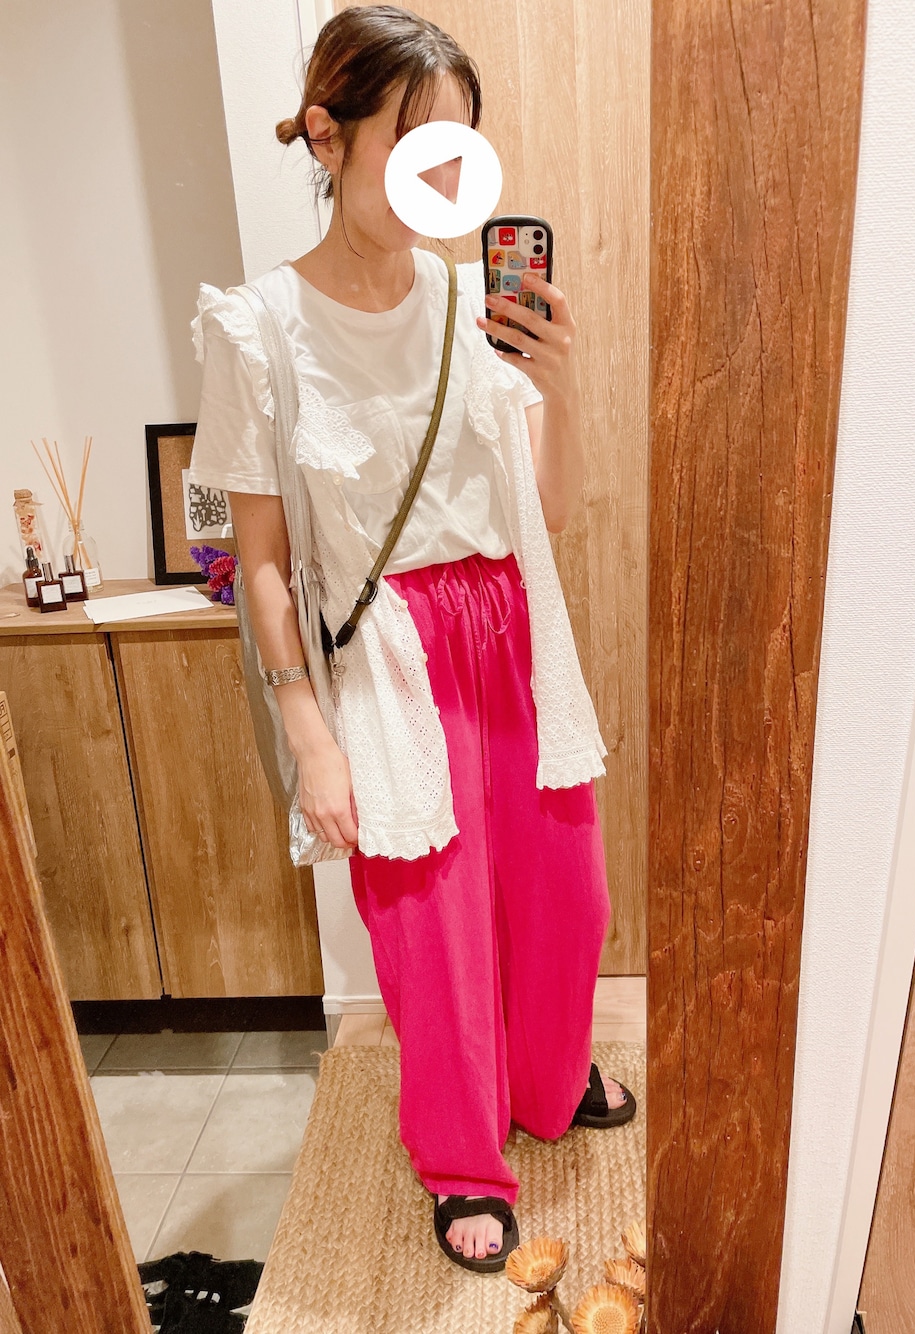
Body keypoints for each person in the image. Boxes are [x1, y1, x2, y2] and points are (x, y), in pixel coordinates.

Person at [188, 4, 636, 1275]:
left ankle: (547, 1078)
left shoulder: (465, 298)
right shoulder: (257, 328)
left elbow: (548, 508)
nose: (442, 180)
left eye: (459, 150)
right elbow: (260, 560)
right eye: (414, 142)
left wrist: (562, 381)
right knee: (433, 934)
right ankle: (460, 1156)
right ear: (328, 136)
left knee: (566, 896)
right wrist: (308, 737)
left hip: (513, 623)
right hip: (391, 648)